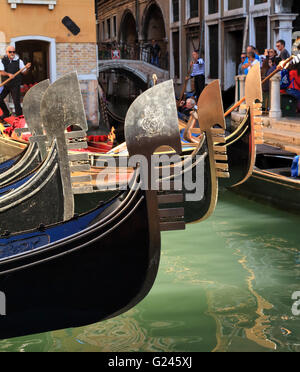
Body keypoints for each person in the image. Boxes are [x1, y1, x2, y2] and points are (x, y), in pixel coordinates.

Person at [0, 46, 31, 121]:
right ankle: (6, 113)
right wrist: (8, 75)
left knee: (16, 102)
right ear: (7, 52)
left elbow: (24, 72)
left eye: (13, 52)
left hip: (15, 85)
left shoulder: (19, 61)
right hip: (6, 85)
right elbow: (1, 72)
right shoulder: (2, 61)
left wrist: (26, 68)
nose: (12, 53)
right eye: (10, 52)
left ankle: (20, 119)